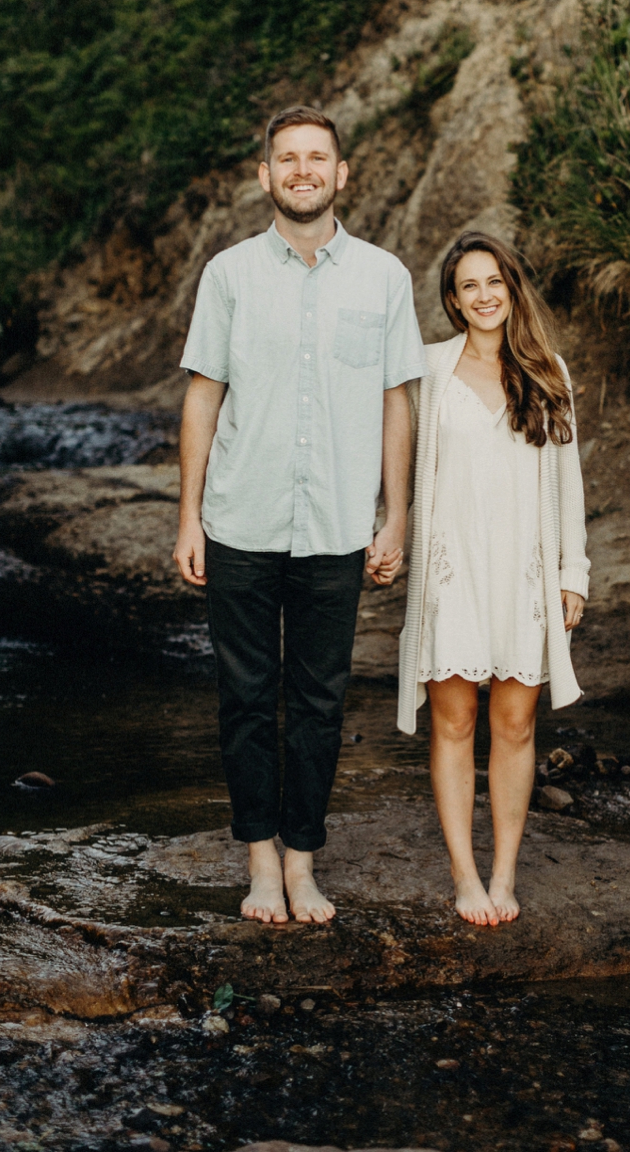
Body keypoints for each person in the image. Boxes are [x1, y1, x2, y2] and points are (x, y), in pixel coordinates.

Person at [174, 104, 424, 925]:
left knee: (320, 702)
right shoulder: (229, 275)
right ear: (266, 176)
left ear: (342, 174)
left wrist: (396, 518)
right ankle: (258, 864)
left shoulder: (384, 277)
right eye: (288, 159)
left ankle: (303, 862)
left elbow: (397, 402)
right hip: (239, 519)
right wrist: (188, 519)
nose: (304, 170)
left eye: (318, 158)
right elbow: (203, 397)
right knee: (245, 698)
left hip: (336, 527)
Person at [393, 231, 589, 927]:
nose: (483, 296)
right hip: (451, 571)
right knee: (455, 722)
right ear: (452, 299)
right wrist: (385, 527)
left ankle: (505, 872)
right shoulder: (426, 370)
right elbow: (396, 459)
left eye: (493, 282)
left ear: (512, 288)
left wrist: (573, 573)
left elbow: (567, 484)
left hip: (523, 572)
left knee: (514, 724)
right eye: (468, 285)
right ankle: (465, 877)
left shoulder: (547, 371)